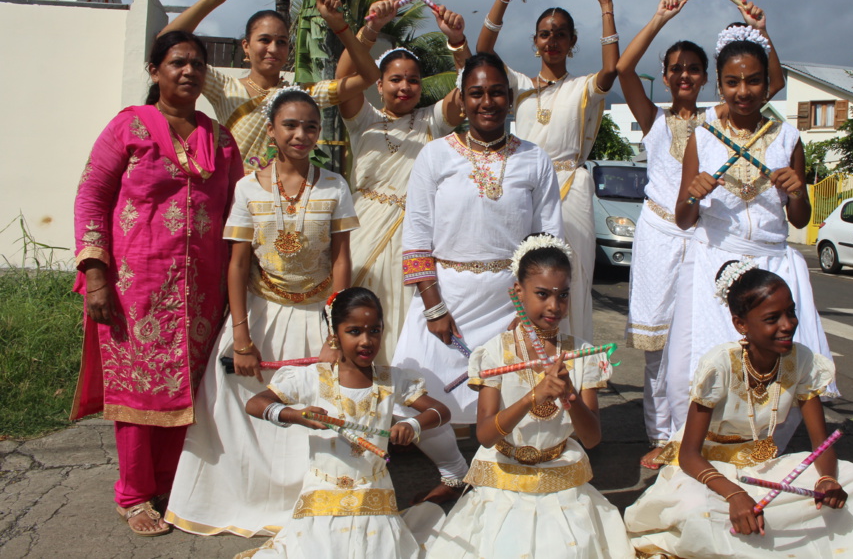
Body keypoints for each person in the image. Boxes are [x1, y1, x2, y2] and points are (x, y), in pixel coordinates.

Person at [72, 31, 243, 536]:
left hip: (201, 292)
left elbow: (240, 207)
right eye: (177, 63)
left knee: (186, 390)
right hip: (134, 286)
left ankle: (171, 486)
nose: (188, 71)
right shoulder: (129, 126)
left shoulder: (220, 138)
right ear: (155, 71)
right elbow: (91, 195)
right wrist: (95, 274)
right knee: (141, 391)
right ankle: (133, 495)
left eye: (196, 64)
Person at [166, 88, 358, 536]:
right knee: (236, 407)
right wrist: (240, 336)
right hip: (259, 314)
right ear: (271, 130)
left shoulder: (334, 185)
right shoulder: (247, 187)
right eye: (290, 125)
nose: (301, 134)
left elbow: (341, 260)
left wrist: (335, 333)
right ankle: (239, 498)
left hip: (316, 315)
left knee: (313, 407)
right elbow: (238, 262)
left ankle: (306, 501)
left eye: (311, 126)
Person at [617, 0, 783, 468]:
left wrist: (761, 31)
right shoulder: (653, 120)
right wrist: (658, 17)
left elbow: (772, 82)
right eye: (676, 69)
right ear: (666, 76)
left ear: (706, 77)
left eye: (693, 68)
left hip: (703, 237)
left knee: (702, 337)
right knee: (656, 343)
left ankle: (709, 433)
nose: (684, 75)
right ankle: (662, 435)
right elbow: (625, 70)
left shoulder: (717, 121)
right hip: (656, 235)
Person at [391, 53, 563, 503]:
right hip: (445, 296)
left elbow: (549, 243)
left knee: (513, 397)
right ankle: (455, 470)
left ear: (510, 99)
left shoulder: (534, 159)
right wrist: (434, 307)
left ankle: (500, 478)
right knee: (413, 395)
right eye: (476, 93)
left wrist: (529, 311)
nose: (487, 101)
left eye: (497, 92)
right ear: (462, 100)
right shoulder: (435, 155)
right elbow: (416, 240)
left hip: (510, 302)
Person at [626, 262, 853, 558]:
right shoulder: (719, 364)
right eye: (773, 318)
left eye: (791, 312)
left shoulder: (803, 362)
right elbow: (689, 455)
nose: (788, 325)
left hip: (762, 467)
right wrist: (734, 495)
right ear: (741, 324)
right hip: (706, 470)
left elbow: (820, 444)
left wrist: (826, 479)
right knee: (701, 513)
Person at [661, 25, 834, 443]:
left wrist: (795, 191)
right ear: (718, 83)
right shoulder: (702, 137)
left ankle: (764, 445)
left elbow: (799, 218)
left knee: (775, 365)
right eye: (733, 82)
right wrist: (693, 196)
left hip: (774, 265)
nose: (743, 91)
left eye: (754, 80)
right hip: (714, 264)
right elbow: (684, 219)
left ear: (767, 85)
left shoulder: (788, 137)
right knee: (711, 364)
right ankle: (703, 451)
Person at [427, 234, 632, 558]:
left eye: (563, 295)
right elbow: (485, 436)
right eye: (542, 294)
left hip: (561, 479)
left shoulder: (583, 354)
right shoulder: (494, 353)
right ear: (518, 293)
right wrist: (529, 398)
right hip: (504, 479)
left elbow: (592, 439)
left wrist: (571, 396)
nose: (554, 306)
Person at [235, 287, 450, 558]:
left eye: (374, 331)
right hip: (322, 491)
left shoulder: (392, 379)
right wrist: (295, 416)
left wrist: (413, 425)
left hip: (373, 490)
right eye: (354, 331)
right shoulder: (313, 377)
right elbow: (254, 404)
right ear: (334, 335)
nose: (366, 341)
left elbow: (441, 412)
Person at [476, 0, 619, 343]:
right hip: (523, 182)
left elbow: (612, 68)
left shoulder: (584, 87)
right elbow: (482, 50)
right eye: (544, 34)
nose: (551, 41)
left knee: (570, 275)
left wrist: (606, 7)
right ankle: (524, 360)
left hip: (571, 186)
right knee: (524, 275)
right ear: (535, 41)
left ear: (572, 43)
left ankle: (572, 362)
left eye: (560, 35)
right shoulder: (518, 84)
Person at [336, 0, 469, 362]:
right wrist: (370, 28)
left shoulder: (431, 121)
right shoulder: (363, 119)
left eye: (413, 80)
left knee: (399, 329)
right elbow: (340, 82)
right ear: (378, 85)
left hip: (412, 241)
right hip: (361, 235)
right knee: (354, 323)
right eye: (395, 79)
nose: (405, 87)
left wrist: (457, 44)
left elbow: (467, 93)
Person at [160, 0, 380, 171]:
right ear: (246, 46)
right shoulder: (225, 88)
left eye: (282, 42)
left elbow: (369, 76)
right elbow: (165, 45)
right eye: (264, 40)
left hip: (279, 204)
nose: (273, 49)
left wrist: (338, 25)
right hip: (234, 201)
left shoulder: (299, 96)